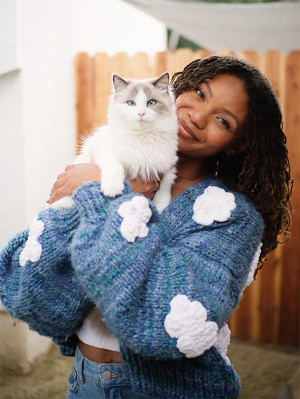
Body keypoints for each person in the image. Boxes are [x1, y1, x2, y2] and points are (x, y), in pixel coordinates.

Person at [0, 55, 292, 399]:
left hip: (167, 391)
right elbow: (28, 287)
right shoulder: (99, 165)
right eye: (199, 93)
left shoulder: (229, 216)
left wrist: (107, 195)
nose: (197, 116)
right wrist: (102, 187)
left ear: (238, 143)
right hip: (84, 381)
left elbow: (167, 324)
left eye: (223, 121)